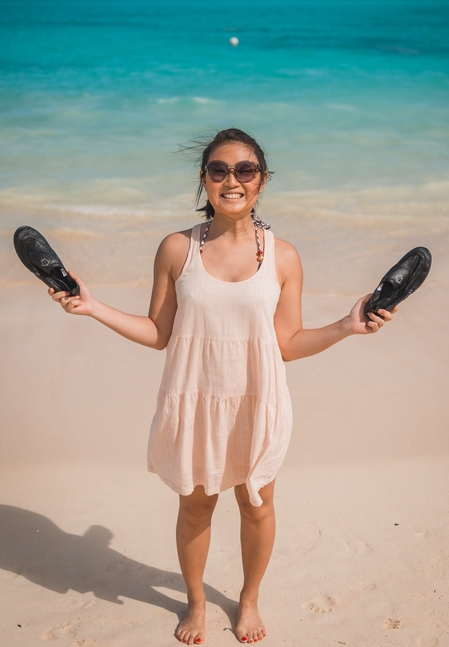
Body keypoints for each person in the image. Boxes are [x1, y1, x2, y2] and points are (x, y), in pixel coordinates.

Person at [49, 127, 395, 645]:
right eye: (219, 170)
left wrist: (347, 327)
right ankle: (196, 602)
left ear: (262, 180)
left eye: (245, 170)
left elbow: (287, 343)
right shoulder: (176, 249)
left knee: (256, 504)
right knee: (195, 506)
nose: (232, 180)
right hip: (196, 398)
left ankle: (249, 599)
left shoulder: (283, 257)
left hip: (259, 398)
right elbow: (159, 333)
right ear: (205, 179)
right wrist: (93, 307)